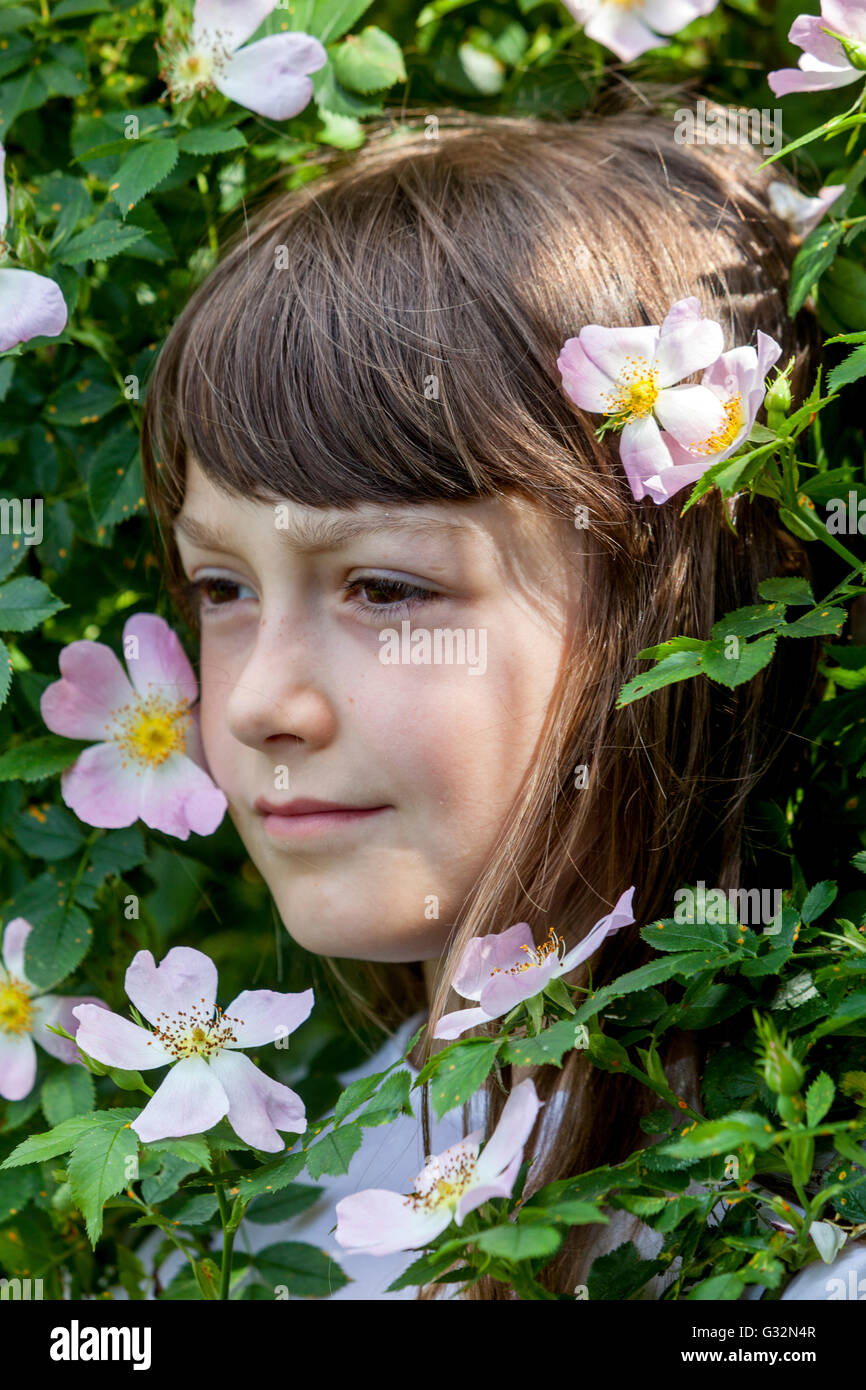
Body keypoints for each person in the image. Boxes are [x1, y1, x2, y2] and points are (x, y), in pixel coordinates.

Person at [139, 98, 845, 1299]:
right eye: (221, 585)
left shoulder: (805, 1260)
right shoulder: (229, 1238)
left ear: (681, 605)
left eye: (383, 586)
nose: (257, 702)